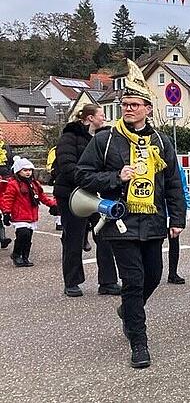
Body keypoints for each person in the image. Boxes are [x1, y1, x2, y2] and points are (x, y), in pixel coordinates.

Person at [76, 59, 186, 369]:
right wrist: (115, 178)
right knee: (134, 280)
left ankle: (128, 308)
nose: (128, 109)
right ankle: (139, 342)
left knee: (153, 275)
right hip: (120, 221)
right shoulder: (105, 139)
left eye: (134, 105)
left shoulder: (162, 142)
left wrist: (177, 219)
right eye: (125, 104)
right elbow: (81, 175)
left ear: (148, 109)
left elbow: (173, 183)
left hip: (152, 221)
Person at [55, 104, 120, 297]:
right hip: (72, 194)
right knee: (73, 238)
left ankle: (108, 282)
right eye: (102, 115)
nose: (105, 119)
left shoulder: (105, 138)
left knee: (105, 237)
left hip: (97, 193)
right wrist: (92, 180)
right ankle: (72, 282)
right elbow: (67, 166)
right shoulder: (70, 137)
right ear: (90, 118)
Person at [2, 156, 59, 267]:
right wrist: (6, 212)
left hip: (31, 215)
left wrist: (53, 204)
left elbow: (42, 196)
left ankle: (25, 256)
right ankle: (17, 254)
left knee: (28, 237)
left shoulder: (34, 184)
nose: (28, 172)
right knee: (23, 234)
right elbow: (7, 198)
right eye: (25, 170)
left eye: (29, 170)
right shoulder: (13, 184)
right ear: (18, 171)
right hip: (19, 215)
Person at [167, 164, 190, 284]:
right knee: (153, 244)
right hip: (155, 210)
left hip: (172, 209)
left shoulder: (176, 166)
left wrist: (187, 206)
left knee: (174, 242)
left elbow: (183, 187)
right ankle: (149, 273)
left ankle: (173, 273)